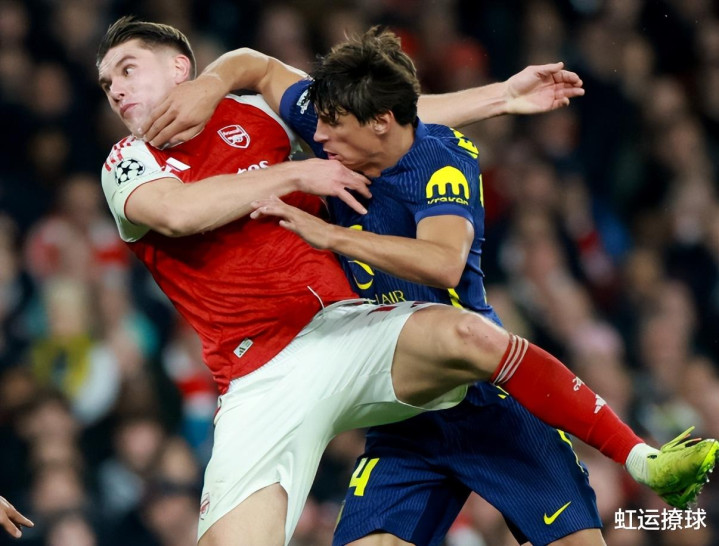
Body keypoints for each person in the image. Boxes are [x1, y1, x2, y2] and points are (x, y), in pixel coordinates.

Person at [96, 18, 717, 546]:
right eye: (105, 83)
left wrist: (501, 96)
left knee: (469, 334)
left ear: (179, 68)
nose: (116, 90)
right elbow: (177, 212)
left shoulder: (268, 117)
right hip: (260, 378)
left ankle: (641, 457)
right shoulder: (127, 162)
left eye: (127, 69)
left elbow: (386, 122)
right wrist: (295, 174)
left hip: (355, 335)